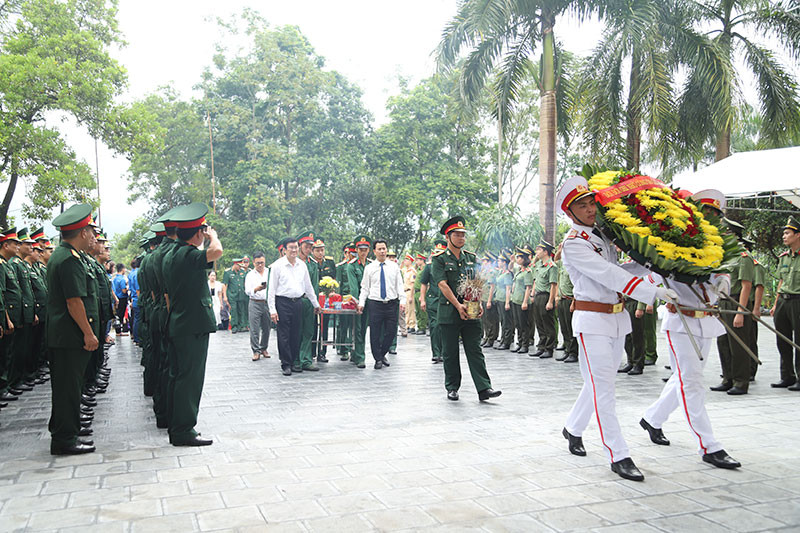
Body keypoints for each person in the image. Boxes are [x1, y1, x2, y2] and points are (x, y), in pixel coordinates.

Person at [557, 177, 673, 482]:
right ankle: (618, 454)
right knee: (604, 388)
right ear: (570, 213)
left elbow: (622, 270)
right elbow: (608, 275)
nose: (589, 209)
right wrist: (649, 291)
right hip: (592, 320)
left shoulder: (604, 237)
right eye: (581, 205)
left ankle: (573, 427)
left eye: (591, 202)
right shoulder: (574, 244)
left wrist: (656, 268)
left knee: (598, 383)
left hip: (616, 318)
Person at [639, 271, 742, 470]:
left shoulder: (711, 245)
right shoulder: (669, 252)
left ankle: (652, 418)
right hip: (680, 322)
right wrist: (657, 291)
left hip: (706, 321)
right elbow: (646, 279)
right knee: (691, 383)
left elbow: (721, 271)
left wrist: (724, 282)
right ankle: (708, 446)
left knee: (685, 378)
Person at [162, 203, 223, 446]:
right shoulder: (186, 255)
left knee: (180, 376)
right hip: (191, 326)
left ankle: (178, 426)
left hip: (181, 322)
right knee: (190, 378)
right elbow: (216, 252)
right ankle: (184, 430)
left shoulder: (172, 255)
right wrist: (214, 236)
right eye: (203, 230)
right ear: (198, 233)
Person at [46, 204, 100, 455]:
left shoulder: (64, 255)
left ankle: (63, 429)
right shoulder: (69, 259)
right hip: (70, 335)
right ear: (81, 232)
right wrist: (88, 333)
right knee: (69, 388)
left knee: (67, 386)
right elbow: (74, 301)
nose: (92, 235)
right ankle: (65, 439)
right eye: (89, 230)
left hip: (65, 334)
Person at [432, 216, 501, 402]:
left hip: (470, 313)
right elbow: (443, 285)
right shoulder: (439, 260)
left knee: (475, 349)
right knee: (450, 352)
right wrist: (458, 305)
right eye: (457, 235)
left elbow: (476, 283)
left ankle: (484, 388)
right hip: (449, 312)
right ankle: (452, 387)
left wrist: (477, 303)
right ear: (448, 237)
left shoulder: (471, 258)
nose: (461, 238)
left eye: (463, 235)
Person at [268, 237, 322, 376]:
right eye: (290, 247)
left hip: (297, 302)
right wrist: (272, 310)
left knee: (296, 334)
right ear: (284, 250)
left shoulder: (301, 265)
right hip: (283, 302)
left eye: (296, 247)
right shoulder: (277, 266)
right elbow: (271, 290)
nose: (294, 250)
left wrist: (316, 304)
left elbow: (308, 286)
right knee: (284, 334)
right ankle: (285, 363)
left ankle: (294, 362)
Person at [358, 240, 404, 369]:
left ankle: (382, 353)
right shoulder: (369, 268)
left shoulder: (394, 267)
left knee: (390, 332)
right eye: (379, 249)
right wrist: (361, 302)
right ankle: (377, 359)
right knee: (375, 333)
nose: (382, 251)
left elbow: (399, 285)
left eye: (384, 248)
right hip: (375, 304)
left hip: (391, 303)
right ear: (374, 251)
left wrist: (403, 300)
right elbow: (365, 287)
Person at [772, 216, 800, 390]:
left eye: (787, 233)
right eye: (783, 233)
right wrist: (775, 304)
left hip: (798, 301)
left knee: (799, 341)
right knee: (782, 339)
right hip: (783, 301)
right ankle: (787, 375)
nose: (784, 236)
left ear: (797, 235)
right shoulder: (784, 257)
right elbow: (781, 282)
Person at [419, 240, 447, 363]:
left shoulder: (448, 265)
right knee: (435, 326)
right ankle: (436, 353)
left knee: (444, 327)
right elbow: (424, 283)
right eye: (436, 253)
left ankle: (445, 353)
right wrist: (422, 299)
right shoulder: (429, 266)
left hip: (446, 300)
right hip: (433, 300)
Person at [345, 236, 371, 369]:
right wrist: (358, 303)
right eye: (360, 249)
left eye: (365, 249)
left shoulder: (372, 264)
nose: (363, 252)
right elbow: (354, 287)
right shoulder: (352, 265)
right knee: (359, 329)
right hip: (359, 302)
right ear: (356, 250)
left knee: (365, 330)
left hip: (371, 301)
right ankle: (360, 357)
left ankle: (355, 353)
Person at [296, 231, 320, 372]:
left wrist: (315, 303)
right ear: (299, 246)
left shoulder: (313, 264)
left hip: (308, 302)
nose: (309, 249)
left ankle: (306, 359)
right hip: (296, 301)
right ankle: (296, 359)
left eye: (311, 246)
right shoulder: (294, 263)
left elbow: (315, 286)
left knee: (308, 331)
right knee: (296, 331)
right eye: (306, 246)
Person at [531, 240, 558, 358]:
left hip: (546, 296)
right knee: (539, 322)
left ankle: (549, 348)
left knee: (548, 324)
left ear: (545, 251)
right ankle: (541, 346)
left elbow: (553, 285)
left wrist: (550, 301)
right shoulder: (539, 265)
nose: (537, 252)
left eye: (539, 250)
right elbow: (535, 278)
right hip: (538, 295)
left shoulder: (552, 266)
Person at [311, 238, 336, 362]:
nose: (320, 253)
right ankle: (311, 352)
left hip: (326, 300)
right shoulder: (310, 263)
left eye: (322, 250)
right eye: (317, 250)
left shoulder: (330, 262)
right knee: (312, 326)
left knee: (324, 326)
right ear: (312, 251)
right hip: (313, 299)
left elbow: (335, 279)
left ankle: (322, 352)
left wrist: (332, 291)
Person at [554, 245, 578, 363]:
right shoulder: (563, 265)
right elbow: (555, 260)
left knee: (570, 327)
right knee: (564, 327)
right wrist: (560, 249)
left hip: (570, 299)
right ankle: (568, 350)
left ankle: (574, 352)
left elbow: (578, 287)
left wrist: (574, 302)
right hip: (562, 299)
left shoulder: (575, 266)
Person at [245, 252, 271, 361]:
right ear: (253, 262)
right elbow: (247, 291)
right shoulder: (250, 275)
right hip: (254, 302)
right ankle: (256, 351)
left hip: (267, 303)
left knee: (267, 327)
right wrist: (257, 289)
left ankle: (263, 348)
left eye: (262, 263)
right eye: (258, 263)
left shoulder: (269, 272)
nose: (260, 265)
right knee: (254, 328)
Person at [510, 246, 533, 353]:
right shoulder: (519, 270)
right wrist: (512, 260)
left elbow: (528, 287)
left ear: (524, 259)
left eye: (519, 257)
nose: (517, 259)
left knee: (524, 324)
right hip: (515, 299)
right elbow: (510, 268)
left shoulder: (527, 272)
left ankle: (525, 344)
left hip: (522, 300)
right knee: (518, 323)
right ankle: (519, 343)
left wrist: (525, 301)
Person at [493, 251, 514, 351]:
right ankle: (503, 339)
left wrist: (507, 302)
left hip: (504, 299)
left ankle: (507, 341)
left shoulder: (507, 274)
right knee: (502, 320)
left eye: (500, 261)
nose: (498, 262)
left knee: (506, 322)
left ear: (504, 262)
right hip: (499, 298)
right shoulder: (501, 273)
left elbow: (508, 288)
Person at [222, 259, 247, 333]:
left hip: (241, 294)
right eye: (239, 266)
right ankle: (234, 326)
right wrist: (225, 296)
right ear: (235, 264)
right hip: (232, 295)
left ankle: (241, 326)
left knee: (241, 310)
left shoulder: (242, 272)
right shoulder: (228, 272)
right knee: (234, 310)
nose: (240, 267)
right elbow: (225, 285)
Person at [401, 253, 417, 334]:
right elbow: (400, 270)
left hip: (409, 291)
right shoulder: (405, 270)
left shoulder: (412, 271)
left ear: (410, 261)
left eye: (406, 260)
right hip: (405, 292)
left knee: (411, 309)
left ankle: (412, 325)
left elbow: (413, 284)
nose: (404, 261)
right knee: (406, 310)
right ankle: (407, 325)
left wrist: (411, 296)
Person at [112, 263, 129, 335]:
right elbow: (124, 290)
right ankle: (119, 331)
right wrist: (128, 287)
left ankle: (117, 330)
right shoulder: (122, 279)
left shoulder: (115, 278)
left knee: (117, 315)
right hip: (122, 298)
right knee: (120, 315)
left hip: (116, 298)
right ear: (122, 269)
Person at [413, 253, 428, 335]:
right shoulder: (418, 269)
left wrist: (423, 296)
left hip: (421, 292)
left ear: (422, 260)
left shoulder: (425, 269)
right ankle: (419, 326)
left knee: (423, 311)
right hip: (416, 292)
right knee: (418, 311)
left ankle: (423, 327)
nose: (416, 262)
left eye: (418, 260)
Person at [129, 258, 141, 345]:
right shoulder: (137, 273)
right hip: (137, 299)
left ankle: (135, 336)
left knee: (136, 319)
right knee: (138, 320)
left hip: (134, 299)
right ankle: (137, 338)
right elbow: (138, 290)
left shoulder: (131, 273)